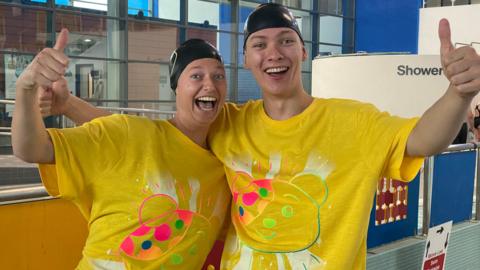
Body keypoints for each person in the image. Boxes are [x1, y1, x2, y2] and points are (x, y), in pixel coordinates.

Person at [38, 3, 480, 269]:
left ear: (304, 51)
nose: (274, 53)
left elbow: (424, 140)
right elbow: (141, 139)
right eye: (260, 44)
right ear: (247, 60)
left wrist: (459, 93)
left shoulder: (353, 122)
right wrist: (71, 106)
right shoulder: (230, 122)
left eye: (286, 40)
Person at [12, 30, 230, 269]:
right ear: (176, 87)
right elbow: (32, 149)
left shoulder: (225, 163)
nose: (210, 84)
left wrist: (68, 104)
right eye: (196, 76)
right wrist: (26, 88)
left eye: (219, 76)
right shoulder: (132, 133)